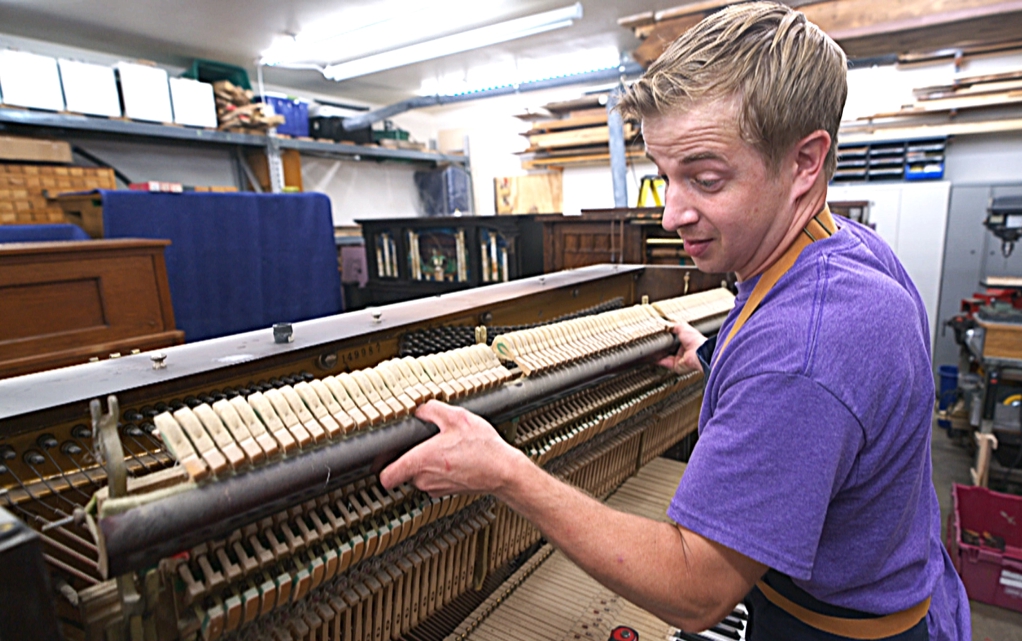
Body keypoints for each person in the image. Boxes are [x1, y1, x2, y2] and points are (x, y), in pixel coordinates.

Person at [380, 3, 971, 640]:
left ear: (804, 164)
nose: (670, 214)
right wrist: (710, 356)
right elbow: (811, 379)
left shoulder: (803, 349)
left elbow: (695, 593)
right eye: (665, 177)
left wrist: (506, 471)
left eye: (706, 179)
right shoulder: (844, 249)